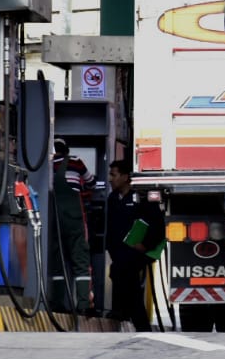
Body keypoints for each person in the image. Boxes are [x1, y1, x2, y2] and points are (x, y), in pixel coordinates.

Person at [103, 159, 163, 332]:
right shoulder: (113, 199)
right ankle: (128, 316)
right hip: (118, 252)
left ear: (125, 177)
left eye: (113, 175)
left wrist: (145, 245)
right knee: (120, 275)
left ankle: (135, 319)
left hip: (136, 253)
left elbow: (157, 225)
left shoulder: (141, 200)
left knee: (124, 274)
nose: (110, 179)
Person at [52, 139, 94, 315]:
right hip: (75, 220)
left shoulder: (47, 166)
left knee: (57, 264)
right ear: (67, 150)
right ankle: (84, 305)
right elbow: (91, 182)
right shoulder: (76, 161)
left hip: (54, 221)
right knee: (81, 263)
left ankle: (58, 305)